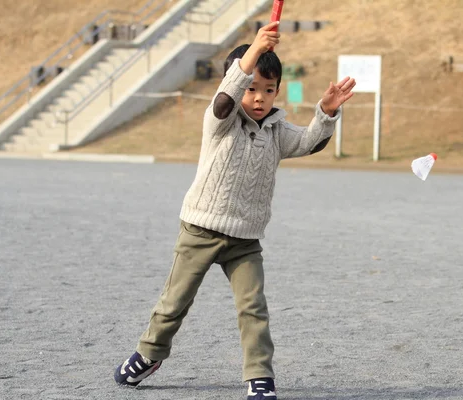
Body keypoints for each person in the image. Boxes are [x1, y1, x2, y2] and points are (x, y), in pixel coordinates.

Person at [113, 20, 356, 400]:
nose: (260, 97)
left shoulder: (277, 131)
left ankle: (259, 376)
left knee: (253, 310)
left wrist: (325, 113)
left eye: (269, 90)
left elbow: (310, 142)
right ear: (237, 84)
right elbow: (227, 98)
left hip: (245, 239)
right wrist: (255, 50)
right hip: (200, 229)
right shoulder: (220, 120)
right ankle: (150, 353)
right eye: (253, 88)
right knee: (174, 302)